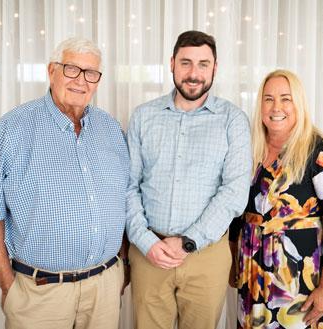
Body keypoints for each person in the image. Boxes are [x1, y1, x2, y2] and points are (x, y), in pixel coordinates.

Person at [0, 37, 130, 329]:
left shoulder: (111, 129)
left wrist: (123, 268)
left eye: (91, 73)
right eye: (71, 69)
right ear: (51, 71)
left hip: (103, 289)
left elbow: (124, 202)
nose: (81, 81)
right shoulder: (13, 128)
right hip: (40, 293)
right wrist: (7, 284)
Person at [126, 30, 252, 329]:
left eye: (203, 64)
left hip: (206, 256)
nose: (194, 74)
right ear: (171, 63)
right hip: (148, 254)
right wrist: (145, 241)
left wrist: (187, 242)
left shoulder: (233, 120)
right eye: (185, 63)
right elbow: (127, 185)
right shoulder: (143, 116)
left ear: (215, 67)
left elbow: (234, 192)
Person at [229, 69, 323, 329]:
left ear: (299, 104)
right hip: (252, 282)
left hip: (298, 288)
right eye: (268, 99)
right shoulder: (248, 152)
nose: (277, 107)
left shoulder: (321, 153)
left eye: (286, 98)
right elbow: (235, 213)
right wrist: (232, 264)